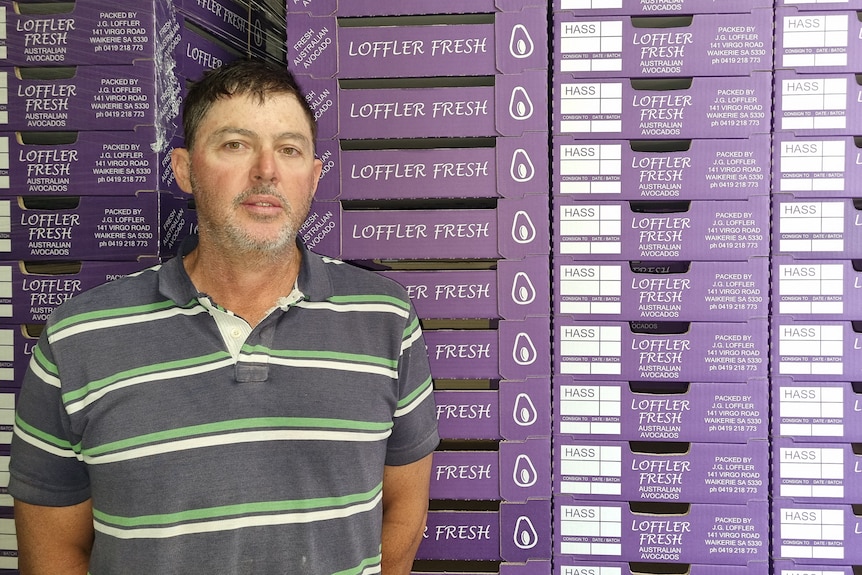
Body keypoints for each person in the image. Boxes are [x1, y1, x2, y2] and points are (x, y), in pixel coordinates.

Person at [9, 58, 439, 574]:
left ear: (314, 176)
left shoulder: (386, 322)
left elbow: (404, 514)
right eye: (235, 144)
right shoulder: (76, 341)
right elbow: (53, 552)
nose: (266, 170)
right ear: (186, 170)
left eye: (289, 149)